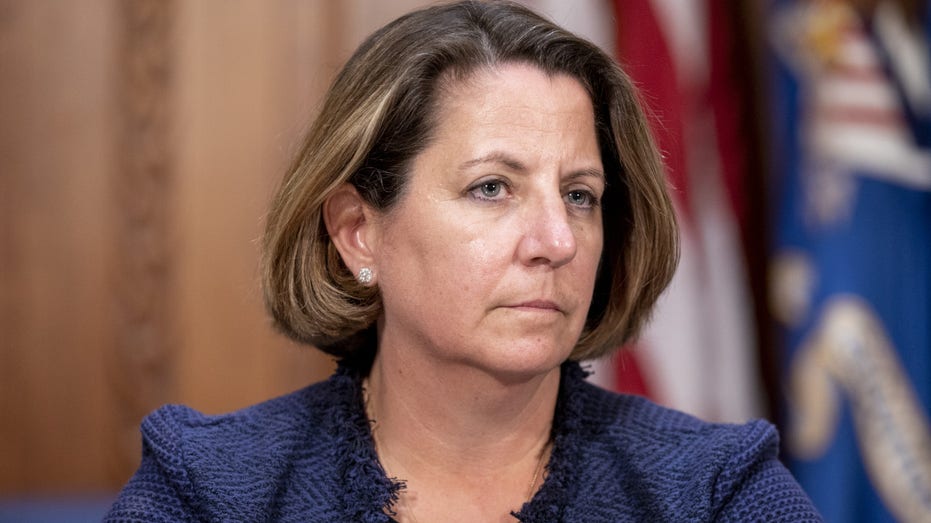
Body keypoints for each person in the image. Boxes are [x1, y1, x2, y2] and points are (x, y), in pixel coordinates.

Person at [106, 1, 822, 521]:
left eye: (579, 195)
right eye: (491, 187)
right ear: (358, 231)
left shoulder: (713, 490)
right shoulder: (209, 488)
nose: (556, 240)